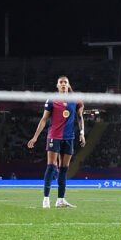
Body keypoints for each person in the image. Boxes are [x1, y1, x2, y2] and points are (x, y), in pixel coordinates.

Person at [27, 75, 85, 208]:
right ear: (57, 86)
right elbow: (44, 119)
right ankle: (46, 199)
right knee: (51, 166)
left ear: (68, 85)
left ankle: (60, 200)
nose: (63, 84)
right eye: (61, 82)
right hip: (54, 137)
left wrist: (82, 133)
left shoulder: (76, 101)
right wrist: (35, 137)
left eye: (65, 82)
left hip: (69, 138)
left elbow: (80, 117)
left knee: (64, 169)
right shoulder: (52, 100)